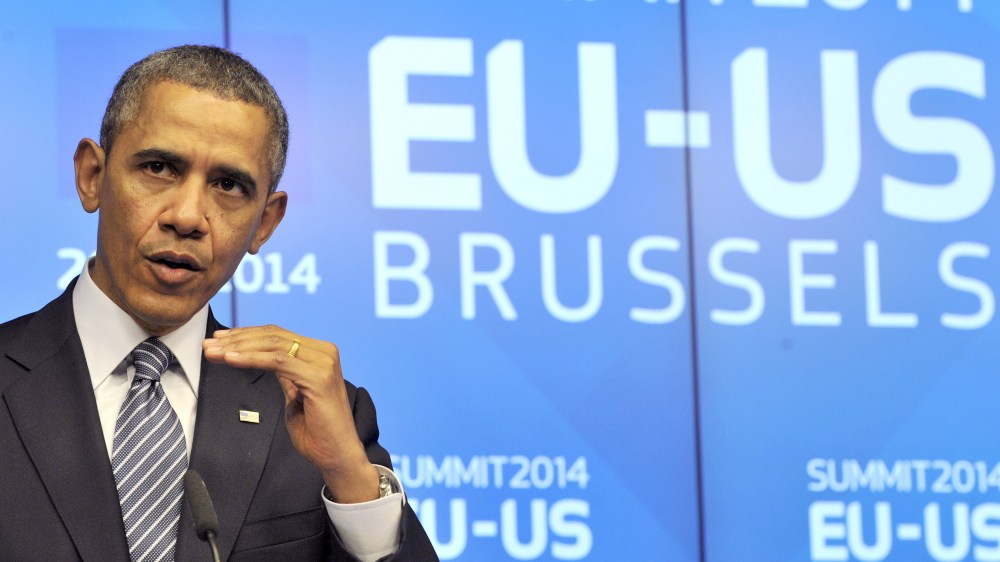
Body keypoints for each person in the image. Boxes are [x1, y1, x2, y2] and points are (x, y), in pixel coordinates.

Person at [0, 45, 437, 561]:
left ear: (266, 222)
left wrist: (350, 479)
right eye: (159, 167)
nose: (187, 216)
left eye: (228, 185)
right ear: (92, 176)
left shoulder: (311, 412)